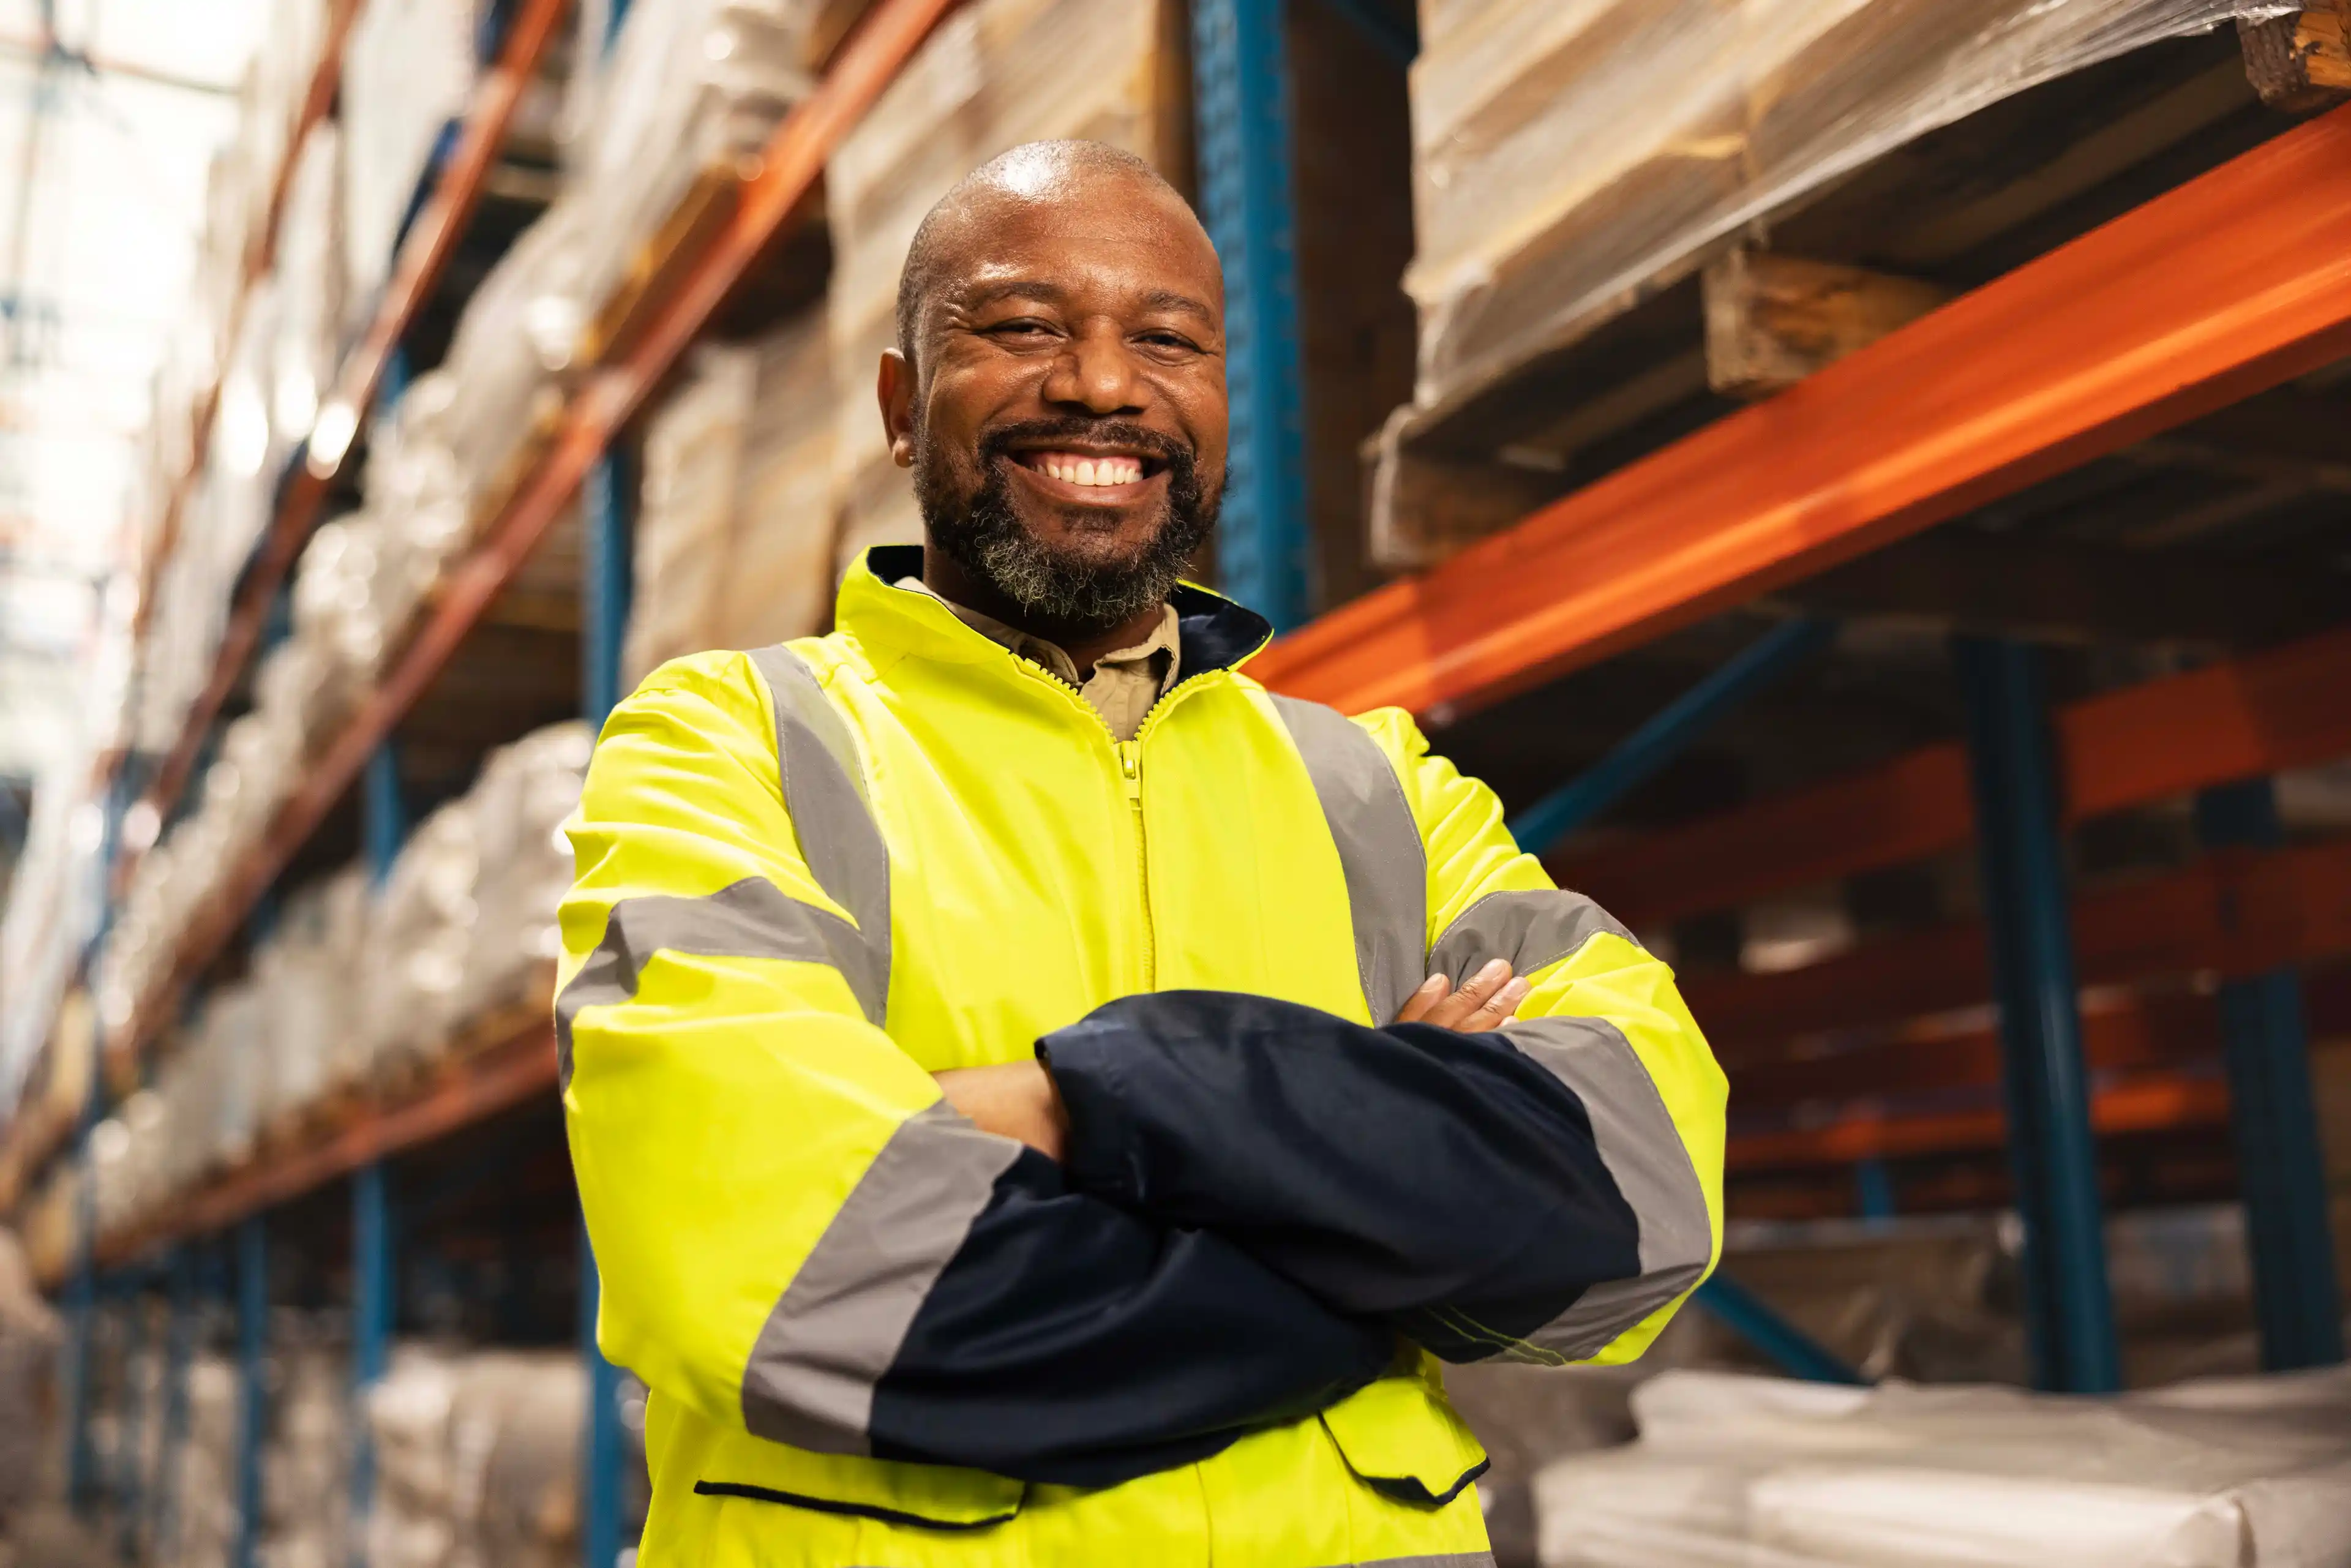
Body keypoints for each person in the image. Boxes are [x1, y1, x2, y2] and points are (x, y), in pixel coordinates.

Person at [559, 138, 1726, 1568]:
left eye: (1167, 339)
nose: (1104, 383)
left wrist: (1091, 1099)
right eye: (1023, 325)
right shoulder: (733, 742)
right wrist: (1375, 1203)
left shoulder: (1373, 785)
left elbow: (1640, 1195)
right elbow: (776, 1260)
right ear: (902, 407)